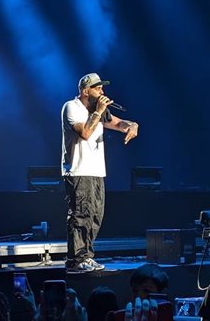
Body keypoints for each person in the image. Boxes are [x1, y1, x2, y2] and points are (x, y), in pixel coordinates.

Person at [61, 73, 139, 273]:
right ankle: (76, 260)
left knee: (95, 215)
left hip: (96, 172)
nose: (102, 92)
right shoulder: (72, 107)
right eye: (98, 88)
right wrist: (99, 111)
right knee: (80, 215)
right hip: (78, 171)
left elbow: (119, 123)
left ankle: (87, 256)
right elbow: (85, 133)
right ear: (86, 91)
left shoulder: (98, 110)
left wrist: (132, 125)